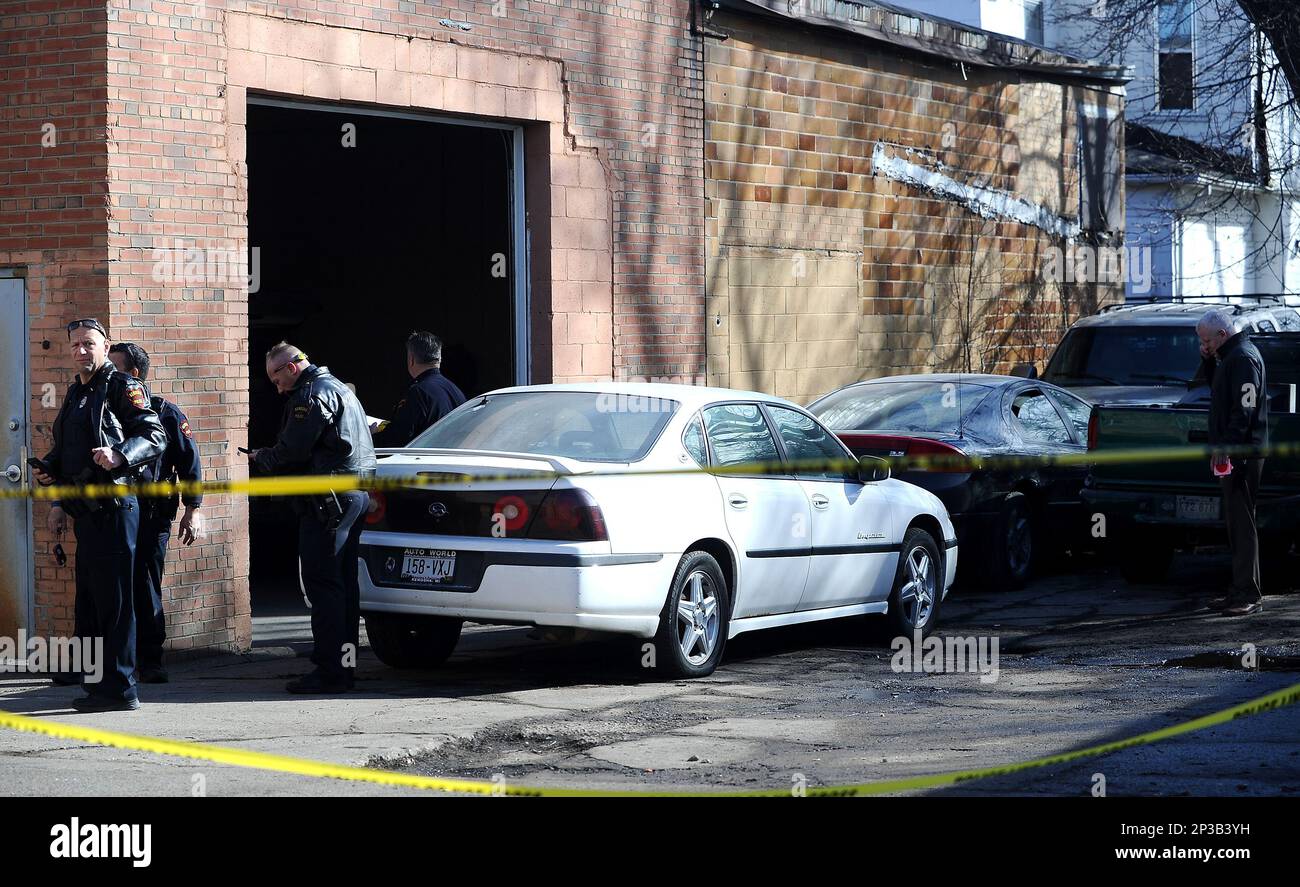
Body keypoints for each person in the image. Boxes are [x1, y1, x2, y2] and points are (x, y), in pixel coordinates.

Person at [32, 318, 166, 712]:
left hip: (115, 507)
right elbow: (65, 449)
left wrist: (120, 455)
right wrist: (49, 469)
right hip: (86, 512)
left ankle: (121, 689)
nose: (81, 351)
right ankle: (98, 684)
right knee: (90, 602)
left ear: (105, 347)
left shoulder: (124, 386)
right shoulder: (76, 393)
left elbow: (154, 436)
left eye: (89, 344)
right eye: (75, 345)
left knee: (117, 603)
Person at [248, 343, 375, 693]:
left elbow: (294, 449)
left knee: (324, 587)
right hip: (353, 495)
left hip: (327, 501)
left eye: (277, 379)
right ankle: (346, 665)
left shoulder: (311, 396)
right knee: (345, 586)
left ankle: (331, 672)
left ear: (291, 368)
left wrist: (264, 458)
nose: (277, 388)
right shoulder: (340, 389)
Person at [108, 342, 204, 683]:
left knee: (145, 584)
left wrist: (193, 509)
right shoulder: (104, 410)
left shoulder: (166, 413)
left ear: (133, 375)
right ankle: (114, 661)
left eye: (113, 367)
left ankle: (150, 659)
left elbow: (190, 463)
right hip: (114, 511)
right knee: (111, 586)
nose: (107, 374)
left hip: (151, 514)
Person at [1197, 308, 1269, 617]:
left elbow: (1245, 408)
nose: (1204, 345)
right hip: (1235, 451)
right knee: (1235, 522)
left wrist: (1228, 445)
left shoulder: (1241, 358)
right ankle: (1238, 589)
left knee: (1242, 523)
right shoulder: (1230, 356)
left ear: (1223, 335)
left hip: (1242, 453)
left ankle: (1248, 593)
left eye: (1207, 340)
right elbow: (1216, 388)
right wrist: (1208, 359)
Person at [370, 331, 466, 447]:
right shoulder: (456, 391)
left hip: (425, 462)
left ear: (411, 359)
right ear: (439, 358)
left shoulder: (418, 392)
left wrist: (372, 436)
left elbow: (396, 439)